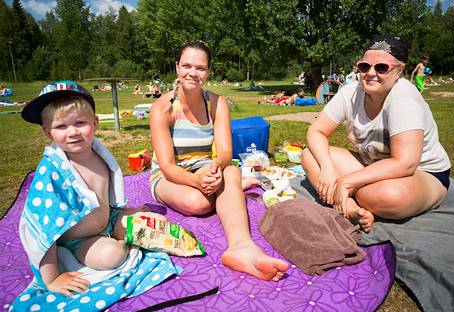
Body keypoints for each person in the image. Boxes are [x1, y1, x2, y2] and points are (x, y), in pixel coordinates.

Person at [18, 81, 180, 299]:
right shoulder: (53, 171)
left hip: (108, 221)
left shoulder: (98, 154)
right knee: (112, 255)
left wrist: (121, 213)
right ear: (48, 132)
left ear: (94, 123)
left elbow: (105, 196)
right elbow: (41, 227)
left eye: (80, 123)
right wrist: (52, 278)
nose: (73, 132)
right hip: (79, 241)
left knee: (157, 223)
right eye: (61, 127)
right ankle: (123, 240)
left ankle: (122, 230)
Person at [149, 40, 288, 281]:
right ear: (177, 68)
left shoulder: (217, 103)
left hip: (204, 165)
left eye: (200, 68)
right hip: (170, 174)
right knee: (199, 203)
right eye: (187, 66)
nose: (193, 73)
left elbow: (224, 152)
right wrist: (197, 181)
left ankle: (241, 247)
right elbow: (168, 166)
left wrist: (214, 168)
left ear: (208, 72)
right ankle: (228, 192)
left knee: (232, 171)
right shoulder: (163, 109)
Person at [301, 35, 451, 233]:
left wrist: (346, 181)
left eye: (381, 67)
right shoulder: (350, 92)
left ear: (399, 71)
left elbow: (405, 163)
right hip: (372, 164)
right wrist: (328, 169)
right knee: (309, 155)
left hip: (422, 173)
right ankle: (351, 209)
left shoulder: (403, 97)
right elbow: (317, 131)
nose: (370, 73)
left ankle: (350, 196)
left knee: (385, 196)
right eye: (364, 67)